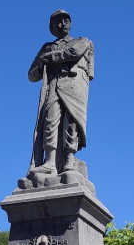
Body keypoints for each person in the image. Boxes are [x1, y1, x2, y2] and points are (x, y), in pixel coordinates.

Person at [28, 10, 94, 175]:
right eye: (58, 22)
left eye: (65, 21)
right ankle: (50, 162)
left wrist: (50, 58)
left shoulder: (83, 41)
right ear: (52, 27)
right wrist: (42, 63)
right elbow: (31, 75)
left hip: (74, 86)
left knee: (71, 123)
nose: (62, 24)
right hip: (54, 85)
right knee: (50, 122)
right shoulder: (47, 47)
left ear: (70, 23)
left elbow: (74, 53)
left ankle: (69, 162)